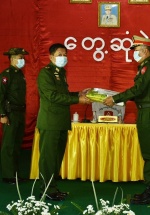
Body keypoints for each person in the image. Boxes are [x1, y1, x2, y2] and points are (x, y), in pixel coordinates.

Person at [103, 35, 150, 204]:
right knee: (148, 152)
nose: (134, 54)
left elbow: (138, 89)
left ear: (145, 51)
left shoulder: (149, 67)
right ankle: (149, 189)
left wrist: (115, 98)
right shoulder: (145, 66)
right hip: (146, 113)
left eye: (136, 50)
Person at [36, 43, 91, 201]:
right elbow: (52, 96)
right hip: (50, 122)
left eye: (65, 54)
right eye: (60, 55)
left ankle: (53, 188)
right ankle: (46, 190)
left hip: (60, 122)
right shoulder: (45, 74)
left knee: (56, 158)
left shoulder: (61, 73)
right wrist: (78, 100)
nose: (63, 57)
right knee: (48, 159)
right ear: (51, 57)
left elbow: (63, 94)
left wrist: (78, 93)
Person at [0, 48, 29, 184]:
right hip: (10, 113)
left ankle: (15, 174)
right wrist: (2, 114)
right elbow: (1, 95)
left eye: (23, 58)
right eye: (19, 57)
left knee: (17, 144)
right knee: (9, 145)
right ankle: (7, 175)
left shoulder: (20, 74)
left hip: (20, 112)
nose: (22, 60)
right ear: (11, 59)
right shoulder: (6, 75)